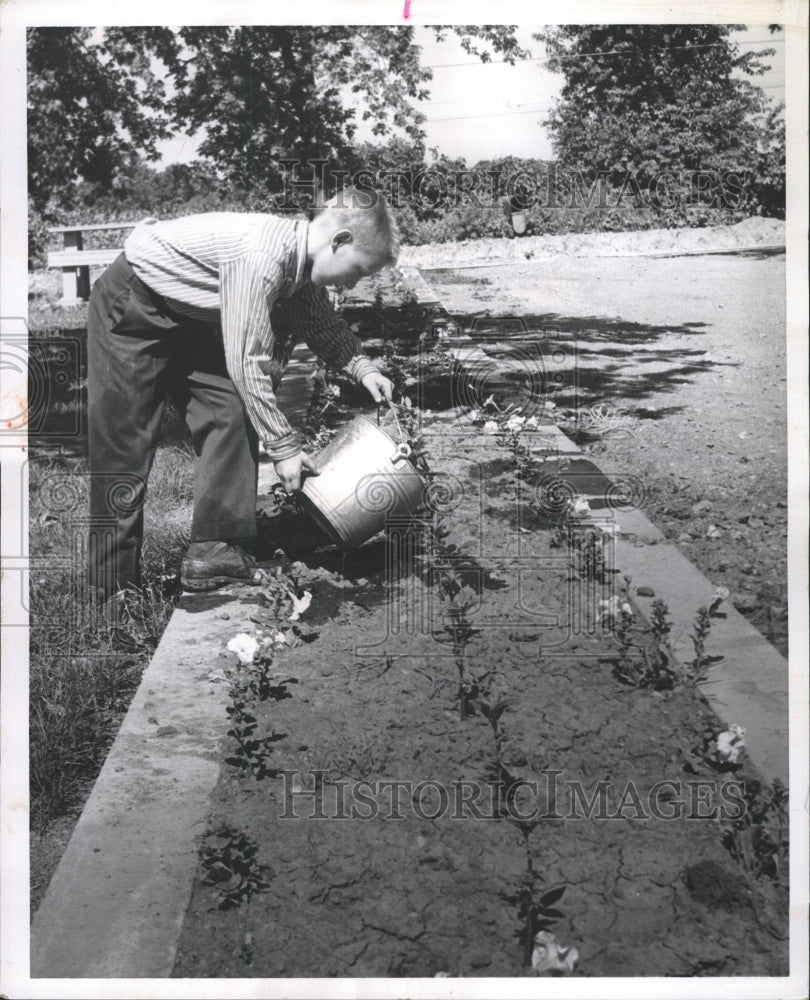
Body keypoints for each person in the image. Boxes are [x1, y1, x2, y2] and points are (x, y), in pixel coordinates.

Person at [87, 187, 397, 622]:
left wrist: (363, 368)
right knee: (123, 444)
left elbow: (319, 321)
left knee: (229, 409)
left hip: (187, 313)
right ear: (339, 241)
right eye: (357, 271)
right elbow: (247, 359)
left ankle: (214, 548)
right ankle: (110, 595)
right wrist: (285, 447)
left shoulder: (297, 261)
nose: (353, 283)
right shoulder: (261, 257)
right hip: (134, 303)